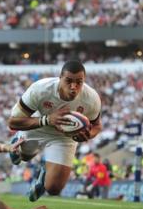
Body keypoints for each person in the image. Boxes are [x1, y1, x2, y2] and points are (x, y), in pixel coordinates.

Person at [8, 60, 102, 201]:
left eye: (79, 82)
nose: (73, 87)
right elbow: (12, 122)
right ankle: (19, 141)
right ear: (60, 78)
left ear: (84, 81)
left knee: (54, 189)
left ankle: (43, 176)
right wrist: (46, 120)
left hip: (64, 137)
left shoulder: (91, 98)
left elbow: (97, 126)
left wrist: (88, 135)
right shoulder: (40, 89)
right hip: (37, 126)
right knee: (25, 157)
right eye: (68, 81)